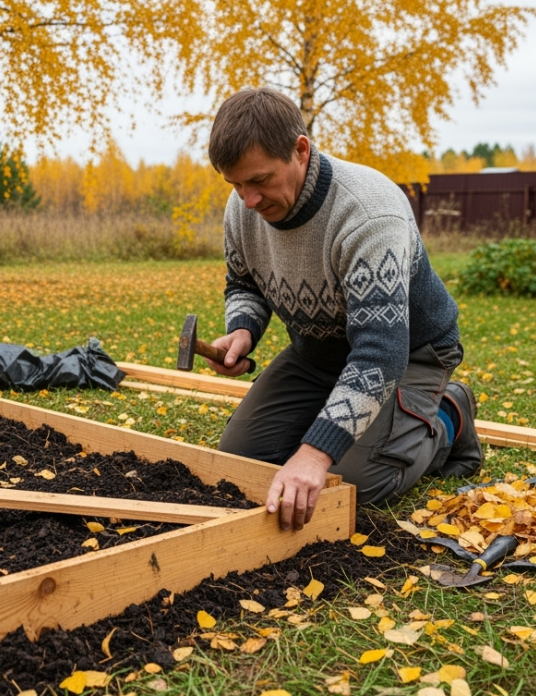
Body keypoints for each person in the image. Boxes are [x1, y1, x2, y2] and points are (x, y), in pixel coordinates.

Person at [204, 87, 482, 532]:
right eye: (234, 184)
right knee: (241, 461)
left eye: (258, 180)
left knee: (350, 482)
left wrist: (314, 454)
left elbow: (378, 353)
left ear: (300, 150)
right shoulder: (242, 208)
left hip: (410, 354)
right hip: (319, 353)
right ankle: (343, 422)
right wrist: (243, 328)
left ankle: (449, 413)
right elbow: (244, 281)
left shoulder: (368, 214)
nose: (248, 199)